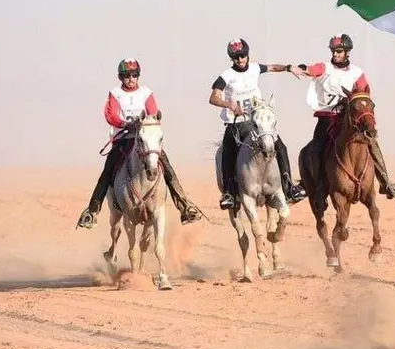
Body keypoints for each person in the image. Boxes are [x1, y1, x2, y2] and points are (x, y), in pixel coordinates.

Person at [76, 58, 201, 229]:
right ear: (121, 77)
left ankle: (185, 206)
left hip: (144, 141)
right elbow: (110, 115)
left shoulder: (146, 93)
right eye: (127, 75)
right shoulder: (115, 93)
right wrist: (125, 124)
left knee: (167, 167)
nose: (131, 78)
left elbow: (153, 112)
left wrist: (145, 125)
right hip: (123, 140)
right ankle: (92, 211)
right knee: (107, 172)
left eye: (134, 75)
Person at [209, 38, 308, 210]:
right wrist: (229, 104)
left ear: (247, 55)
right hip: (236, 124)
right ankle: (229, 193)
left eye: (243, 56)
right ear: (231, 58)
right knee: (227, 153)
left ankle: (288, 186)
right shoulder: (226, 76)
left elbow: (272, 68)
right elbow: (213, 97)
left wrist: (289, 68)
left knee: (280, 146)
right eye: (236, 57)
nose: (240, 59)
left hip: (257, 121)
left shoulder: (255, 68)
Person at [299, 33, 395, 199]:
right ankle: (316, 186)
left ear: (347, 52)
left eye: (339, 51)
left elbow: (364, 95)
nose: (335, 54)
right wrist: (301, 69)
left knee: (371, 143)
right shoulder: (325, 68)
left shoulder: (357, 73)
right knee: (316, 147)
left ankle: (385, 183)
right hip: (327, 118)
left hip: (350, 121)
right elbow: (311, 70)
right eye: (333, 51)